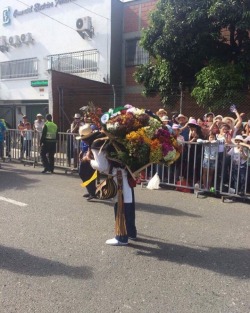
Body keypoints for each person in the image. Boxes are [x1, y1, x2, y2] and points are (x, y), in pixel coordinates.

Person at [90, 138, 137, 246]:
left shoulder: (97, 143)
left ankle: (121, 237)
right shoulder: (120, 140)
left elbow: (102, 166)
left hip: (119, 177)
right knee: (129, 203)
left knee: (120, 206)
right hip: (126, 175)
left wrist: (90, 161)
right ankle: (131, 232)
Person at [77, 124, 100, 201]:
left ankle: (92, 192)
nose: (83, 140)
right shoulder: (91, 140)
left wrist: (85, 158)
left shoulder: (93, 141)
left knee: (84, 174)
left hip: (91, 160)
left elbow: (91, 155)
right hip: (89, 160)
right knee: (89, 175)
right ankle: (92, 191)